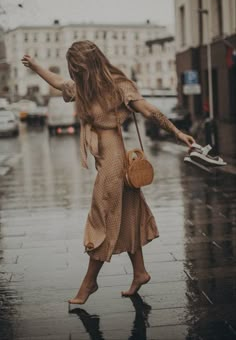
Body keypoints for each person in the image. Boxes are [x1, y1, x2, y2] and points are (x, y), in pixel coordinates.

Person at [21, 40, 195, 305]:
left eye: (75, 68)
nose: (72, 73)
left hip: (114, 162)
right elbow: (58, 83)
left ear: (85, 66)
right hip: (105, 158)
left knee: (102, 218)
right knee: (128, 213)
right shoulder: (85, 88)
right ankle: (140, 272)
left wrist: (177, 132)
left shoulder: (117, 85)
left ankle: (89, 284)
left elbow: (148, 109)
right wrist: (35, 65)